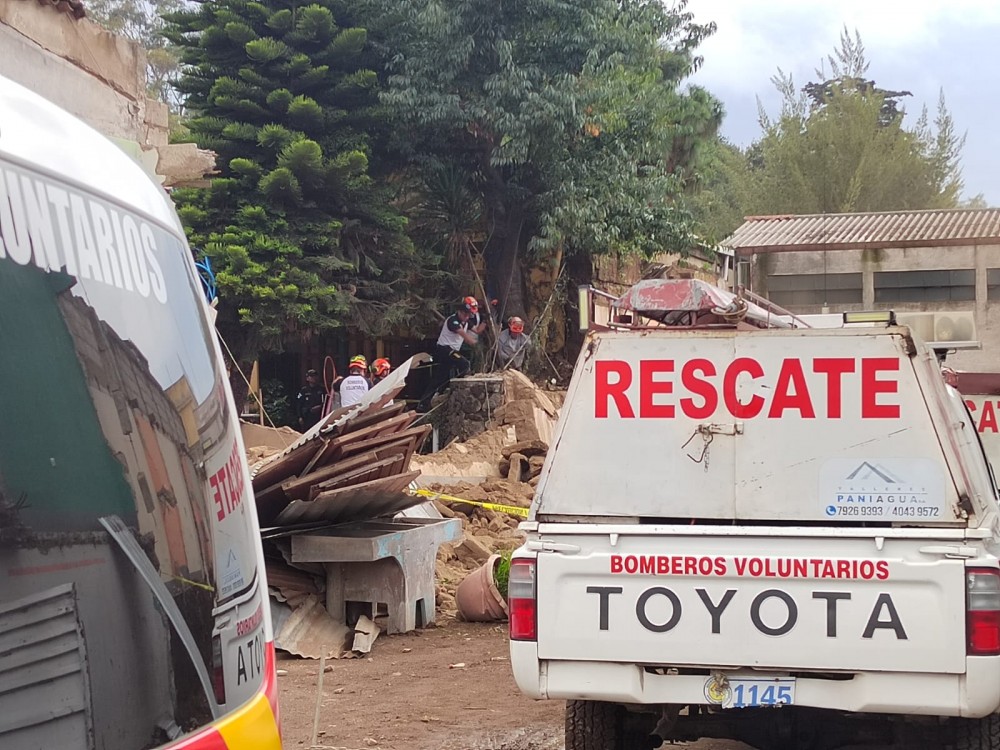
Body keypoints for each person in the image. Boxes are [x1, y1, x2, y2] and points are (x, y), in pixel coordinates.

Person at [418, 297, 487, 411]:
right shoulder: (453, 321)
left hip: (452, 351)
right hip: (444, 349)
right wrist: (475, 343)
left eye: (469, 315)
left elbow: (477, 330)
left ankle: (424, 403)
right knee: (465, 364)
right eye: (465, 314)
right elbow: (466, 337)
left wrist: (485, 320)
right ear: (460, 311)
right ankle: (456, 389)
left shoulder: (466, 322)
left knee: (440, 377)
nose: (467, 317)